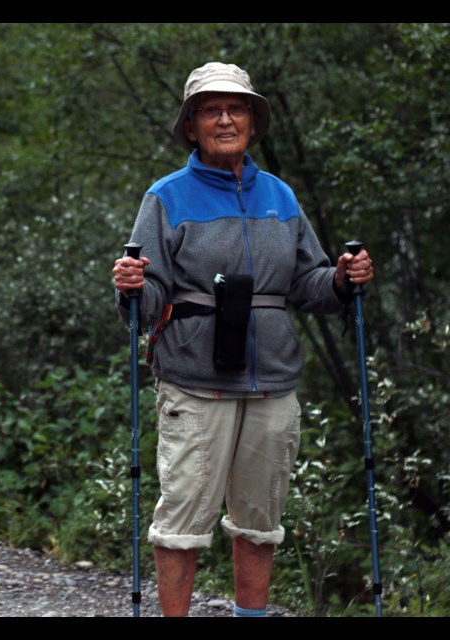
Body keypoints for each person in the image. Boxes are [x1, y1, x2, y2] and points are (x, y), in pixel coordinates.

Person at [112, 62, 374, 617]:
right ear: (191, 126)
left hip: (272, 384)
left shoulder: (280, 196)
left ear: (253, 122)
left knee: (261, 522)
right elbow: (150, 294)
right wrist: (134, 286)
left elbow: (308, 284)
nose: (225, 119)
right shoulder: (166, 198)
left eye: (237, 109)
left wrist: (343, 280)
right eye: (211, 110)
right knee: (182, 522)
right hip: (194, 383)